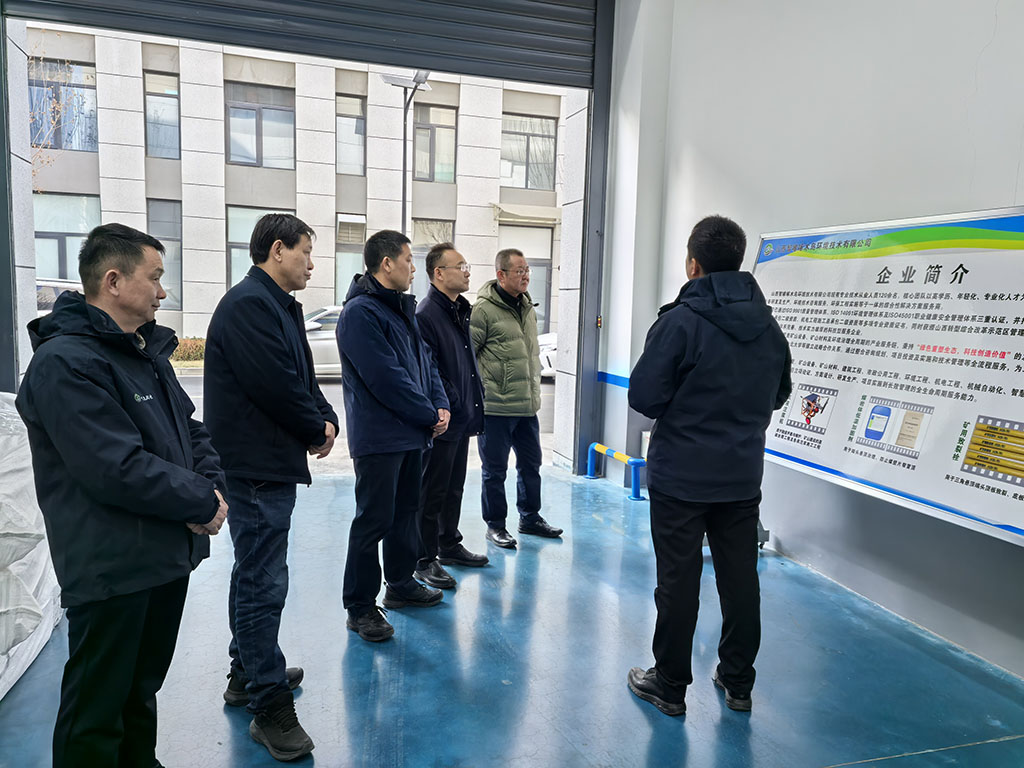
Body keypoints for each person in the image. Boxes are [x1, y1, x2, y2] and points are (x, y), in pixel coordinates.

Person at [15, 223, 228, 768]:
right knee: (97, 707)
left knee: (140, 689)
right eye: (154, 278)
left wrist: (212, 487)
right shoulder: (65, 363)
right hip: (111, 567)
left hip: (162, 556)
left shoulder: (143, 352)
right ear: (113, 281)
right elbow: (114, 467)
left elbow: (190, 429)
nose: (162, 291)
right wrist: (201, 502)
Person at [626, 215, 792, 716]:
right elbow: (779, 393)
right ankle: (738, 682)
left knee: (678, 581)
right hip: (740, 476)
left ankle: (670, 684)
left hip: (681, 477)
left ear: (693, 264)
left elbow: (645, 397)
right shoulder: (768, 327)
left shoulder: (680, 322)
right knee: (740, 580)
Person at [204, 213, 338, 761]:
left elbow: (303, 377)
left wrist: (327, 417)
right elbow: (276, 386)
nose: (311, 264)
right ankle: (269, 705)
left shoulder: (278, 305)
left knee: (253, 572)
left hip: (268, 463)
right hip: (255, 467)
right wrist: (313, 427)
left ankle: (246, 672)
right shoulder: (249, 306)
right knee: (263, 582)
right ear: (277, 249)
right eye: (306, 251)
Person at [336, 229, 450, 642]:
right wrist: (428, 414)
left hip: (412, 435)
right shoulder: (360, 314)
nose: (413, 269)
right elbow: (387, 378)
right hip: (380, 438)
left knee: (405, 514)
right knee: (374, 520)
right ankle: (360, 606)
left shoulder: (401, 309)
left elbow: (426, 363)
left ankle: (400, 584)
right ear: (386, 264)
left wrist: (440, 404)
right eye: (407, 260)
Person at [471, 248, 561, 549]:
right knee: (494, 471)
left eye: (527, 271)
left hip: (526, 405)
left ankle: (530, 517)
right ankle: (495, 526)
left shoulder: (527, 306)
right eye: (519, 271)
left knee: (531, 464)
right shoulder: (483, 310)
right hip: (495, 407)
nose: (525, 276)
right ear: (501, 274)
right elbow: (469, 355)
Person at [413, 242, 489, 589]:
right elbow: (431, 370)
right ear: (439, 273)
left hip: (460, 416)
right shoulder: (427, 314)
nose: (467, 272)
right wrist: (453, 403)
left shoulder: (459, 310)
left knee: (453, 487)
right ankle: (424, 558)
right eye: (460, 266)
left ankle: (448, 544)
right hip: (443, 418)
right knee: (432, 491)